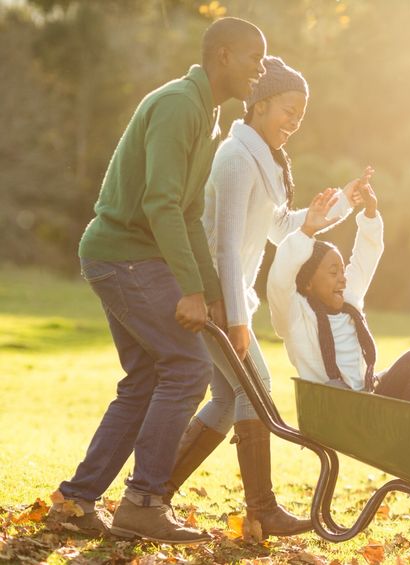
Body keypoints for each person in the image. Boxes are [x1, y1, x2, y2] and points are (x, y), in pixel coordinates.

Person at [45, 18, 267, 544]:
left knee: (145, 378)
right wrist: (190, 290)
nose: (261, 69)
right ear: (225, 56)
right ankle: (144, 501)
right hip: (123, 255)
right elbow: (159, 203)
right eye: (255, 57)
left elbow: (188, 214)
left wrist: (210, 291)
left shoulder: (206, 114)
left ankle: (77, 501)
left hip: (131, 256)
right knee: (187, 367)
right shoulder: (177, 106)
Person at [162, 56, 370, 537]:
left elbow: (278, 227)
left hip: (227, 301)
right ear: (258, 106)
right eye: (289, 109)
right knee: (256, 389)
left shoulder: (265, 161)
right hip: (214, 299)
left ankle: (151, 494)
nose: (295, 121)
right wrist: (235, 317)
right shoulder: (236, 158)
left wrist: (343, 203)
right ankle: (261, 509)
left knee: (226, 398)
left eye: (301, 113)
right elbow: (224, 245)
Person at [267, 180, 410, 401]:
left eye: (342, 272)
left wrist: (370, 213)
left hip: (366, 396)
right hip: (335, 405)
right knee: (341, 390)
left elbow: (365, 258)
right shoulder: (295, 315)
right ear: (308, 283)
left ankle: (407, 428)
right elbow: (280, 280)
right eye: (333, 273)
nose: (342, 280)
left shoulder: (349, 301)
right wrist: (307, 230)